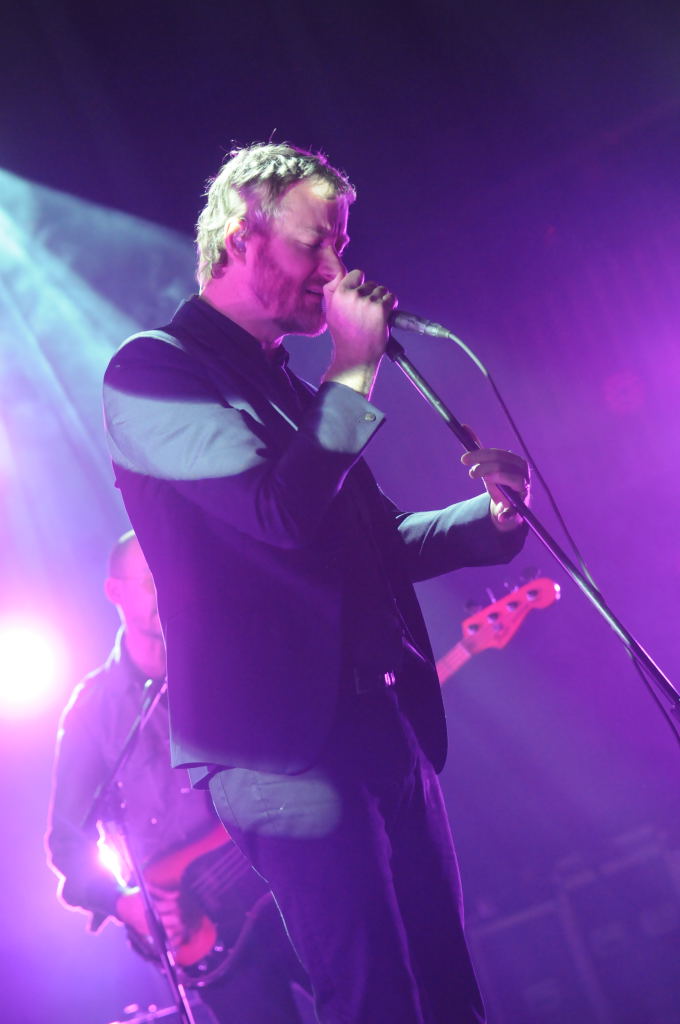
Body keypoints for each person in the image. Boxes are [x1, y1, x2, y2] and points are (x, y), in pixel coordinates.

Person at [102, 142, 531, 1024]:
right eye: (313, 242)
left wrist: (490, 519)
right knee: (374, 995)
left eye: (341, 242)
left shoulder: (297, 393)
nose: (335, 268)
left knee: (448, 993)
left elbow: (375, 544)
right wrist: (353, 367)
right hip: (279, 748)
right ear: (239, 239)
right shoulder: (152, 371)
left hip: (383, 719)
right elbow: (277, 515)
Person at [46, 530, 311, 1024]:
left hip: (291, 883)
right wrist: (126, 904)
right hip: (207, 930)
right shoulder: (92, 713)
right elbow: (66, 843)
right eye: (151, 582)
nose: (166, 591)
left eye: (171, 576)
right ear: (114, 592)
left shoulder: (224, 661)